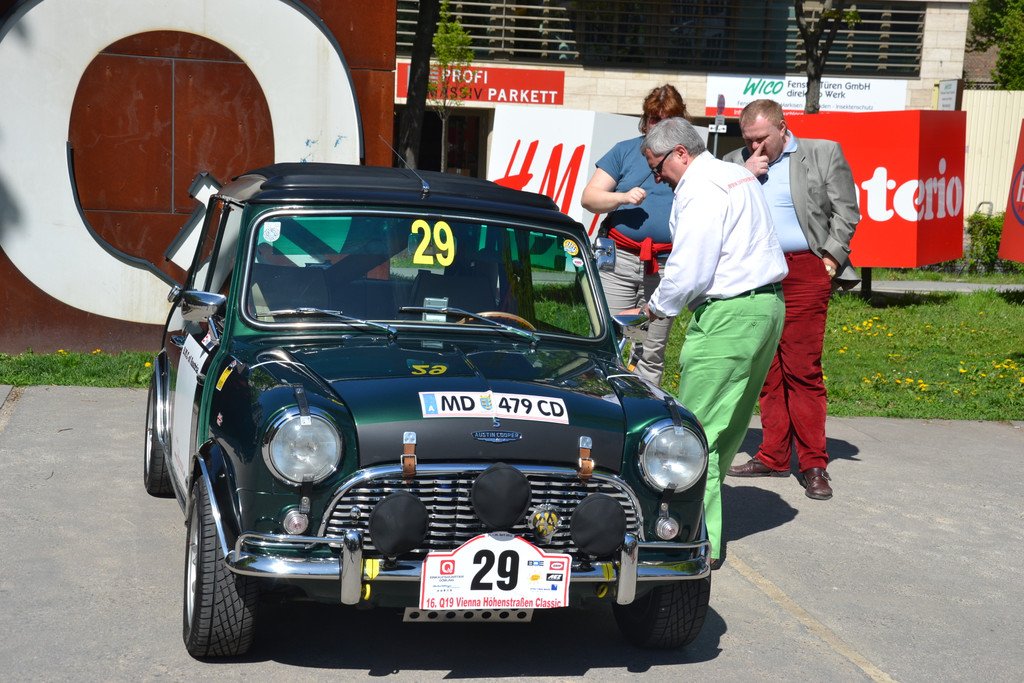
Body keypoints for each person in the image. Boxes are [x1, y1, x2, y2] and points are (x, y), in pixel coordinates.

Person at [639, 117, 788, 570]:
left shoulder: (701, 187)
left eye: (658, 166)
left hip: (729, 316)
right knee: (724, 431)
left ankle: (687, 541)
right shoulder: (735, 175)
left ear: (681, 153)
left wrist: (656, 307)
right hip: (765, 308)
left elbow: (691, 266)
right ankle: (706, 533)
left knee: (690, 436)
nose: (657, 177)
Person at [723, 99, 860, 501]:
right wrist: (745, 174)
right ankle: (774, 455)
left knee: (802, 369)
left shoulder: (821, 153)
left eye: (762, 139)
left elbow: (846, 211)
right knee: (766, 368)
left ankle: (814, 463)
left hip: (804, 269)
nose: (755, 147)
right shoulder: (734, 162)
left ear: (783, 128)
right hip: (755, 272)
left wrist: (831, 257)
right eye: (748, 140)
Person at [581, 84, 690, 386]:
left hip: (665, 265)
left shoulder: (688, 158)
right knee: (609, 339)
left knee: (650, 351)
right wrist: (622, 197)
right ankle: (602, 398)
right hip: (620, 262)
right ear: (645, 120)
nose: (660, 126)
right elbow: (589, 198)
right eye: (655, 119)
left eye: (668, 119)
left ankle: (644, 407)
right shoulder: (625, 151)